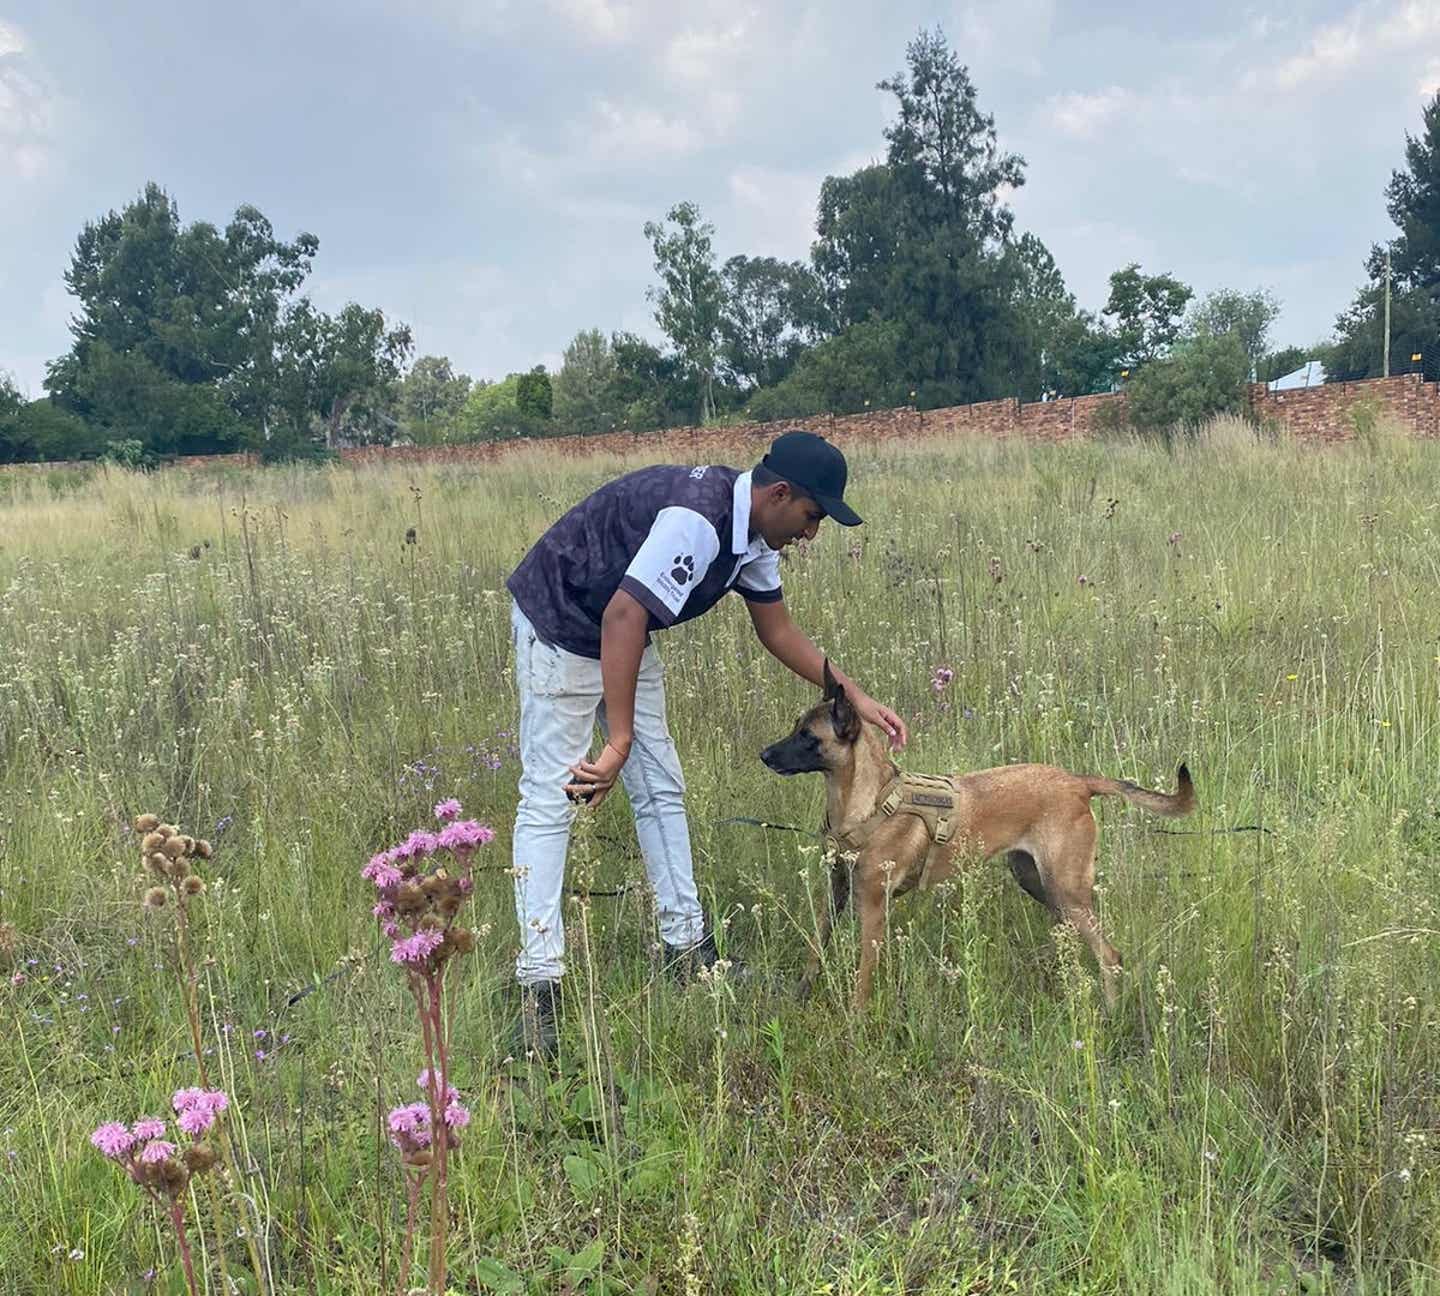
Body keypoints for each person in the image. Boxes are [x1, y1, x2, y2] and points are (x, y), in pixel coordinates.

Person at [504, 429, 908, 1055]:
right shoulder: (698, 522)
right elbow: (621, 614)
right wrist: (617, 742)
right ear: (779, 494)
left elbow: (777, 631)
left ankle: (687, 950)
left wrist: (852, 695)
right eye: (811, 515)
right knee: (554, 798)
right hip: (563, 620)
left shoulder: (754, 536)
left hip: (621, 628)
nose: (812, 532)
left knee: (661, 785)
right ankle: (540, 989)